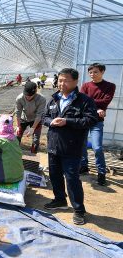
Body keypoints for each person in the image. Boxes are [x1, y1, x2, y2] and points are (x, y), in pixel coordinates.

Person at [42, 68, 98, 225]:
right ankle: (60, 200)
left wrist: (68, 121)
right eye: (60, 80)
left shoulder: (84, 101)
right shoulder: (54, 99)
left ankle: (79, 209)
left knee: (72, 178)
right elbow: (44, 116)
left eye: (66, 80)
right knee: (55, 175)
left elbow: (91, 120)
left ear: (75, 82)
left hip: (72, 148)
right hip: (54, 146)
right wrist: (50, 122)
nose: (62, 83)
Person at [79, 63, 116, 186]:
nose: (92, 75)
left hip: (97, 122)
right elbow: (81, 102)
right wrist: (97, 108)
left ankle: (101, 171)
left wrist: (90, 102)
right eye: (90, 72)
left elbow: (106, 101)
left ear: (102, 72)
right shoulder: (85, 85)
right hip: (84, 120)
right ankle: (84, 166)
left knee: (97, 148)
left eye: (95, 72)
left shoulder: (110, 86)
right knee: (82, 144)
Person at [15, 82, 46, 153]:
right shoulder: (20, 98)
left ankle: (33, 156)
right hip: (24, 118)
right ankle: (15, 153)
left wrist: (33, 128)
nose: (27, 97)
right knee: (17, 136)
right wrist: (18, 125)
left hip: (35, 120)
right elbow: (18, 112)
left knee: (36, 139)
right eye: (26, 95)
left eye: (30, 95)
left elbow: (39, 114)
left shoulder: (41, 99)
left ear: (35, 91)